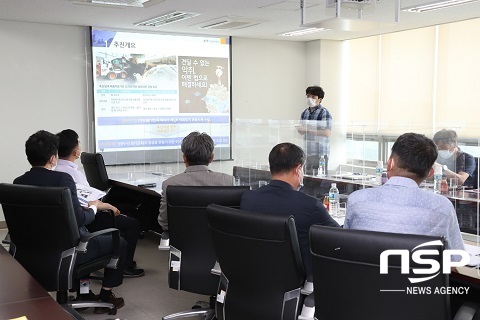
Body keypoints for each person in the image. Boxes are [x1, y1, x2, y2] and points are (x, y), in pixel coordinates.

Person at [14, 130, 126, 314]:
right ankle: (105, 297)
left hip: (31, 252)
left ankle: (83, 292)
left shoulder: (18, 183)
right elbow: (81, 218)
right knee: (119, 242)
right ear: (52, 158)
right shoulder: (62, 179)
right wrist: (94, 207)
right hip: (68, 252)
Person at [344, 132, 465, 253]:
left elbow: (346, 249)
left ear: (390, 163)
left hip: (366, 272)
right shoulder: (442, 207)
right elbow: (456, 260)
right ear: (430, 173)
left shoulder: (357, 199)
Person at [240, 142, 340, 277]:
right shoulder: (310, 206)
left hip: (256, 277)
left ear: (271, 169)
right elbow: (340, 239)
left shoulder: (248, 199)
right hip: (298, 281)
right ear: (298, 169)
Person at [55, 129, 144, 278]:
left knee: (120, 209)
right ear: (76, 152)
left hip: (72, 220)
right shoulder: (72, 174)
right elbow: (86, 202)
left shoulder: (56, 169)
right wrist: (108, 207)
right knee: (132, 224)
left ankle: (120, 257)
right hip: (87, 219)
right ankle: (125, 266)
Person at [158, 131, 234, 234]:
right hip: (220, 242)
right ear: (212, 158)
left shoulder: (169, 184)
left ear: (184, 158)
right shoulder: (229, 181)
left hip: (183, 242)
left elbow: (164, 223)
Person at [296, 85, 332, 175]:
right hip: (307, 152)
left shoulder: (324, 112)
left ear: (319, 99)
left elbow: (327, 133)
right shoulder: (305, 112)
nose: (309, 99)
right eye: (308, 96)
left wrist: (307, 129)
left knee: (319, 179)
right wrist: (299, 128)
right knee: (306, 178)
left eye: (313, 97)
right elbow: (301, 131)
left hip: (320, 153)